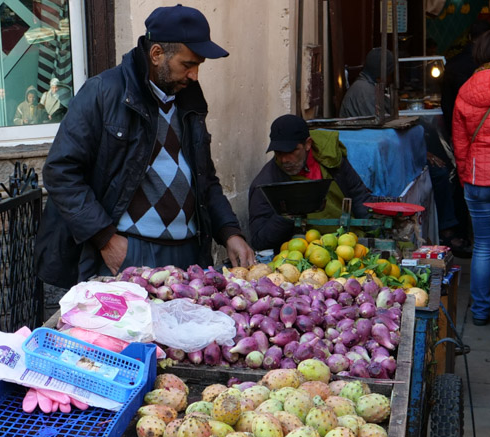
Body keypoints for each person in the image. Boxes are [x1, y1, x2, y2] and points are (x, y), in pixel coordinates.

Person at [35, 4, 255, 287]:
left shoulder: (190, 99)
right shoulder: (103, 92)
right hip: (131, 249)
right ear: (157, 54)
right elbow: (60, 172)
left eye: (198, 65)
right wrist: (105, 238)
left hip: (189, 252)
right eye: (188, 65)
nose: (195, 75)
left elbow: (205, 178)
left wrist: (229, 232)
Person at [247, 115, 373, 251]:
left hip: (349, 243)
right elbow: (259, 241)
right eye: (279, 153)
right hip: (303, 254)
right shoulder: (266, 183)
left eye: (291, 151)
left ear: (308, 144)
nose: (284, 160)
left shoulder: (331, 159)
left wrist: (375, 232)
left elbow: (359, 196)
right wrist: (284, 216)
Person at [452, 29, 490, 326]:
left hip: (476, 177)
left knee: (483, 246)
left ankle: (480, 312)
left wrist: (463, 175)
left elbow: (460, 143)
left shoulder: (466, 89)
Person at [442, 19, 490, 138]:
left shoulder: (452, 64)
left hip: (463, 130)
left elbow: (447, 105)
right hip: (489, 133)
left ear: (469, 37)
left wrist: (454, 133)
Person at [339, 48, 395, 118]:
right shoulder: (364, 90)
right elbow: (377, 121)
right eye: (390, 74)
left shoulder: (368, 86)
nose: (390, 79)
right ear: (382, 74)